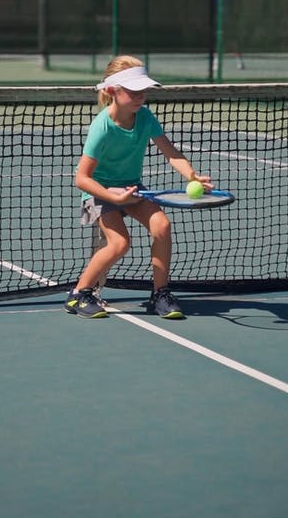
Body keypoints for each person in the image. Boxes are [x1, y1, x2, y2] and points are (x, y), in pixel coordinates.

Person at [65, 55, 213, 320]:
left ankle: (160, 294)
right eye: (133, 91)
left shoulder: (144, 117)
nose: (140, 96)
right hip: (102, 191)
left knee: (162, 226)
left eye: (143, 91)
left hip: (134, 189)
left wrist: (191, 176)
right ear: (112, 91)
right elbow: (82, 178)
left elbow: (170, 152)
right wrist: (111, 195)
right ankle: (79, 294)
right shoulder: (102, 127)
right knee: (120, 243)